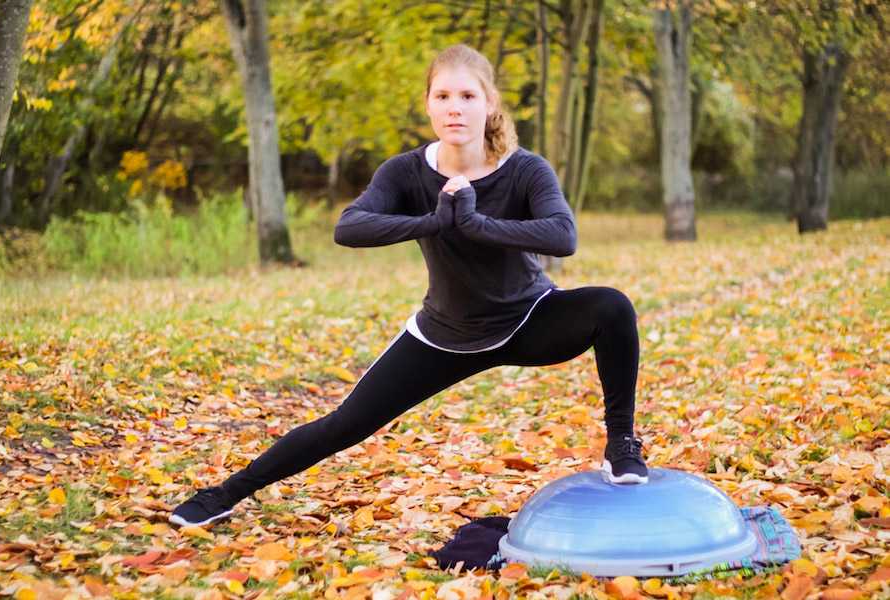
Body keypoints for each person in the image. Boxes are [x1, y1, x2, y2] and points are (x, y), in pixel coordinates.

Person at [169, 43, 648, 528]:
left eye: (467, 95)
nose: (454, 107)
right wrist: (432, 221)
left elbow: (562, 236)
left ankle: (622, 443)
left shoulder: (525, 169)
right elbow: (348, 227)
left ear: (490, 104)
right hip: (443, 335)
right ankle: (223, 495)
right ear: (428, 105)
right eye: (442, 96)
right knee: (344, 424)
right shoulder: (406, 171)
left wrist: (478, 225)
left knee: (611, 307)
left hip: (528, 320)